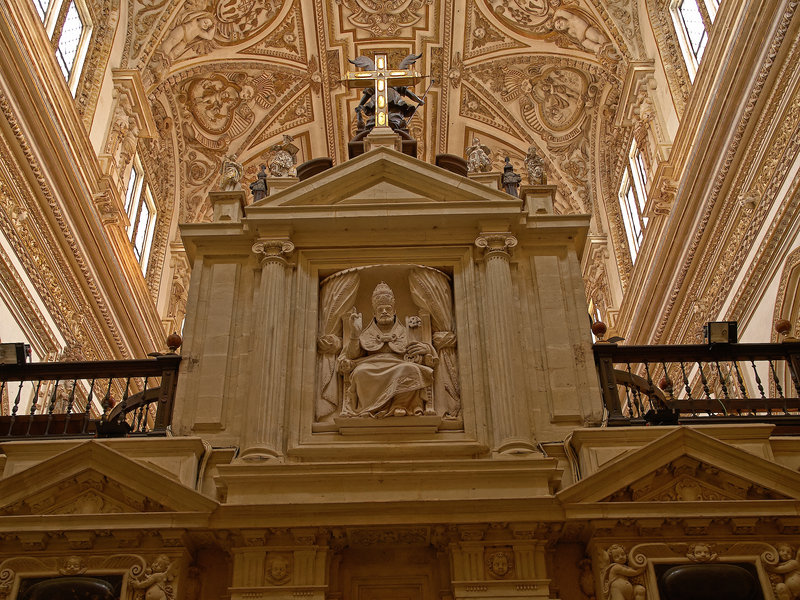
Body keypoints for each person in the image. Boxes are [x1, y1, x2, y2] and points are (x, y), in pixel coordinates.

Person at [339, 282, 437, 417]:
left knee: (411, 369)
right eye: (380, 310)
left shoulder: (406, 330)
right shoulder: (366, 334)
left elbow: (423, 348)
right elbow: (352, 355)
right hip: (371, 366)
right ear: (374, 313)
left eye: (388, 309)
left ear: (394, 311)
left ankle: (400, 405)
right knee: (360, 372)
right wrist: (355, 335)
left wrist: (425, 348)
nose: (384, 312)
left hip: (399, 365)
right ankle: (370, 408)